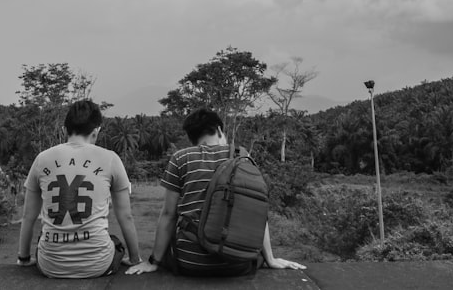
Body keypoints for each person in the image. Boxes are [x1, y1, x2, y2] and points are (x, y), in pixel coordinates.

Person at [127, 108, 306, 276]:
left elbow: (168, 215)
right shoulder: (242, 156)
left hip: (190, 263)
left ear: (191, 138)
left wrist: (153, 262)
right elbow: (257, 213)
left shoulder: (181, 158)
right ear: (220, 131)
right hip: (237, 264)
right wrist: (271, 259)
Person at [17, 100, 143, 278]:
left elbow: (28, 216)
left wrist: (23, 258)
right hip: (99, 265)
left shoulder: (41, 159)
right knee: (114, 242)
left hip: (50, 265)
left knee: (43, 241)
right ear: (96, 131)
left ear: (64, 130)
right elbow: (125, 216)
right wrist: (135, 259)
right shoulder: (111, 159)